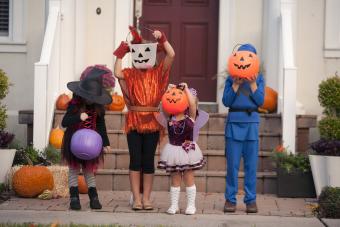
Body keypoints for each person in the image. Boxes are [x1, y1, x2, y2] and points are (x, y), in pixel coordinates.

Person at [113, 26, 175, 210]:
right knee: (135, 160)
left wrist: (163, 39)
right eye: (137, 54)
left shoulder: (158, 73)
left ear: (153, 55)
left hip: (152, 121)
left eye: (146, 53)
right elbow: (117, 73)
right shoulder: (130, 74)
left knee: (148, 161)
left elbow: (171, 55)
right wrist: (120, 54)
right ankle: (137, 198)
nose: (141, 57)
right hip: (134, 120)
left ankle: (146, 198)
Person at [61, 67, 112, 210]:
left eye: (93, 97)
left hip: (91, 144)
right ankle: (74, 198)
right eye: (88, 96)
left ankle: (94, 198)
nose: (90, 100)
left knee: (89, 171)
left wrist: (105, 143)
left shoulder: (98, 108)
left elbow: (101, 126)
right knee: (73, 170)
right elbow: (65, 122)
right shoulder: (74, 105)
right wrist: (78, 116)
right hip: (74, 142)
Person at [222, 44, 265, 213]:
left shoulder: (259, 79)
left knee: (251, 166)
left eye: (248, 57)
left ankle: (251, 200)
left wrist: (253, 84)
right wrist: (235, 85)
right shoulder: (230, 79)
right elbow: (226, 101)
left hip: (251, 125)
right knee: (232, 165)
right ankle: (230, 200)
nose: (244, 61)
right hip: (234, 124)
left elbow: (260, 101)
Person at [157, 83, 207, 215]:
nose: (175, 99)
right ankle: (174, 205)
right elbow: (163, 105)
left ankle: (191, 205)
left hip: (187, 151)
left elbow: (192, 105)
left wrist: (185, 89)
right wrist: (167, 91)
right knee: (175, 178)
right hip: (173, 150)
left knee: (189, 177)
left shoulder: (190, 117)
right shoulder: (169, 117)